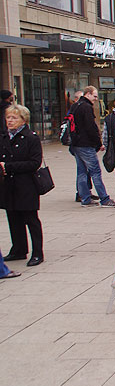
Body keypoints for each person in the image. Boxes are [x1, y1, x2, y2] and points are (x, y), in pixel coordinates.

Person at [0, 104, 44, 266]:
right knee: (13, 217)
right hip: (9, 184)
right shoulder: (4, 137)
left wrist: (8, 166)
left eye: (14, 118)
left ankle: (38, 253)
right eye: (8, 117)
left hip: (26, 185)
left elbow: (34, 163)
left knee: (30, 219)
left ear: (23, 120)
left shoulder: (31, 137)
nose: (10, 121)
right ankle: (18, 249)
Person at [69, 86, 115, 207]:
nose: (96, 99)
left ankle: (85, 198)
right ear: (88, 94)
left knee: (81, 171)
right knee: (95, 171)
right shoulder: (86, 107)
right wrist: (98, 143)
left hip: (76, 143)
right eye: (95, 96)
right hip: (86, 144)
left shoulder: (75, 105)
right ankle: (104, 198)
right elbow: (91, 127)